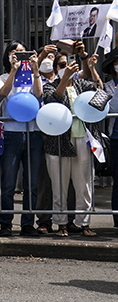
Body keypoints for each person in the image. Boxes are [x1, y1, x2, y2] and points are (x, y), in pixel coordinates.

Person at [41, 46, 102, 236]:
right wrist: (65, 77)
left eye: (68, 64)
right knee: (59, 185)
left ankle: (84, 223)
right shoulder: (50, 85)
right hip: (58, 142)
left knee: (83, 183)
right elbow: (53, 99)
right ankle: (61, 224)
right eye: (61, 65)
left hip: (82, 139)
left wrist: (91, 68)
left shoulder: (80, 85)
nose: (65, 67)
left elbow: (99, 92)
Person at [0, 41, 45, 237]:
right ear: (8, 55)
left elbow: (39, 95)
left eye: (24, 52)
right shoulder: (0, 77)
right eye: (16, 52)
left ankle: (28, 223)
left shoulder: (33, 76)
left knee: (31, 183)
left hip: (33, 133)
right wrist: (13, 71)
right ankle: (5, 224)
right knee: (8, 183)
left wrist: (36, 70)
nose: (20, 56)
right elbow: (2, 93)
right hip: (11, 133)